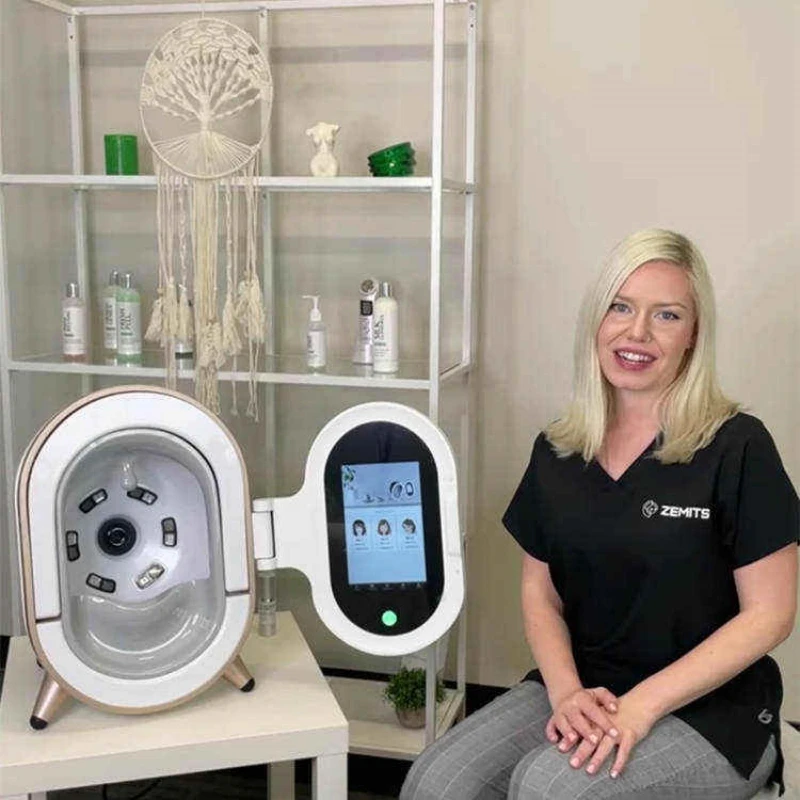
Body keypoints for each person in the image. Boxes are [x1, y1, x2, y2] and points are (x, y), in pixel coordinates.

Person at [401, 229, 799, 800]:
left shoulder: (738, 446)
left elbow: (771, 615)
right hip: (588, 685)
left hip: (715, 710)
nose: (637, 333)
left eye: (666, 315)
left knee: (550, 789)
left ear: (693, 334)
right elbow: (540, 594)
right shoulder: (559, 449)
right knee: (437, 783)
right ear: (597, 318)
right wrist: (565, 692)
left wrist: (640, 707)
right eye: (621, 307)